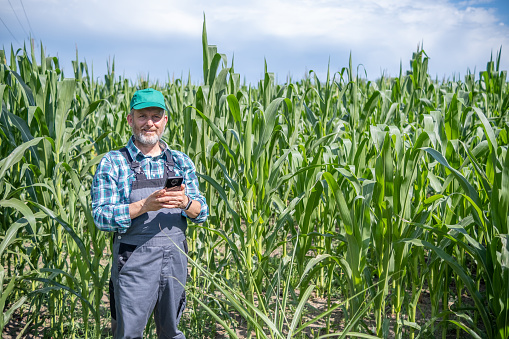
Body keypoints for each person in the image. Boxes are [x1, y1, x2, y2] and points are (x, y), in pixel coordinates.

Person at [91, 88, 208, 339]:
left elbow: (202, 212)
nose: (150, 123)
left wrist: (185, 202)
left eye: (156, 116)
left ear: (165, 121)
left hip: (175, 258)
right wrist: (144, 206)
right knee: (129, 333)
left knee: (171, 332)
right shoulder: (114, 162)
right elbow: (101, 216)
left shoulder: (180, 161)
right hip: (134, 259)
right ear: (130, 119)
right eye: (142, 116)